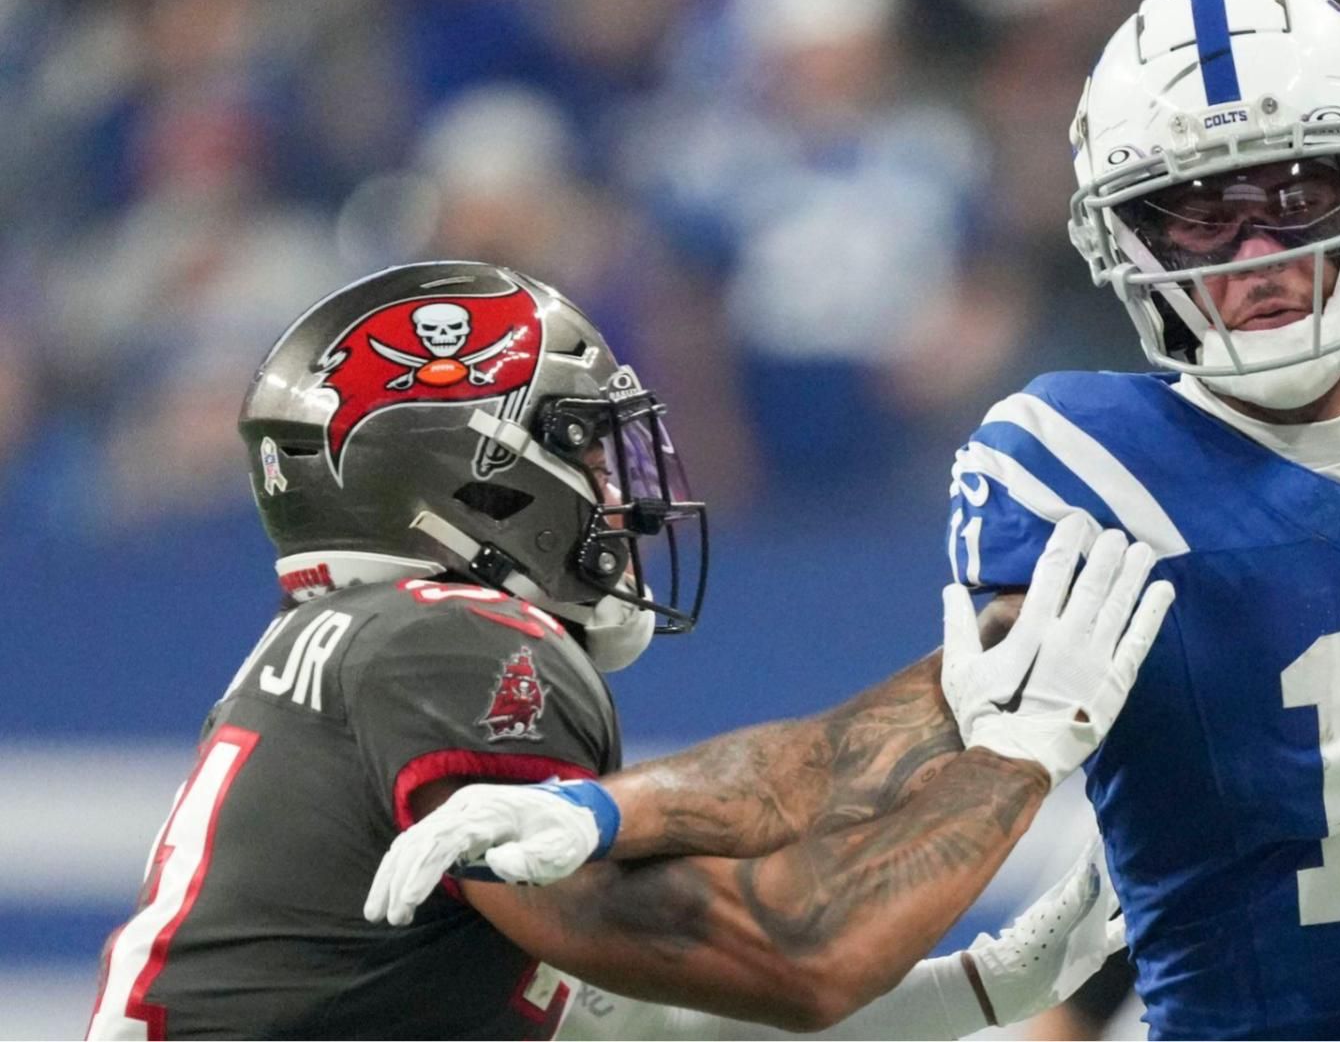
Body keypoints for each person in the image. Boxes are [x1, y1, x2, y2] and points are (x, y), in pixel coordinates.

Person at [372, 0, 1340, 1038]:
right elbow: (890, 750)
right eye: (1197, 212)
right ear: (1120, 239)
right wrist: (611, 807)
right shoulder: (1076, 467)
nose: (1253, 250)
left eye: (1298, 188)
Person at [87, 260, 1173, 1040]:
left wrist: (987, 976)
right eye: (581, 445)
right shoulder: (453, 643)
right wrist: (1010, 763)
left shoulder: (371, 652)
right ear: (473, 474)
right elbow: (793, 957)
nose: (623, 490)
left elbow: (647, 1009)